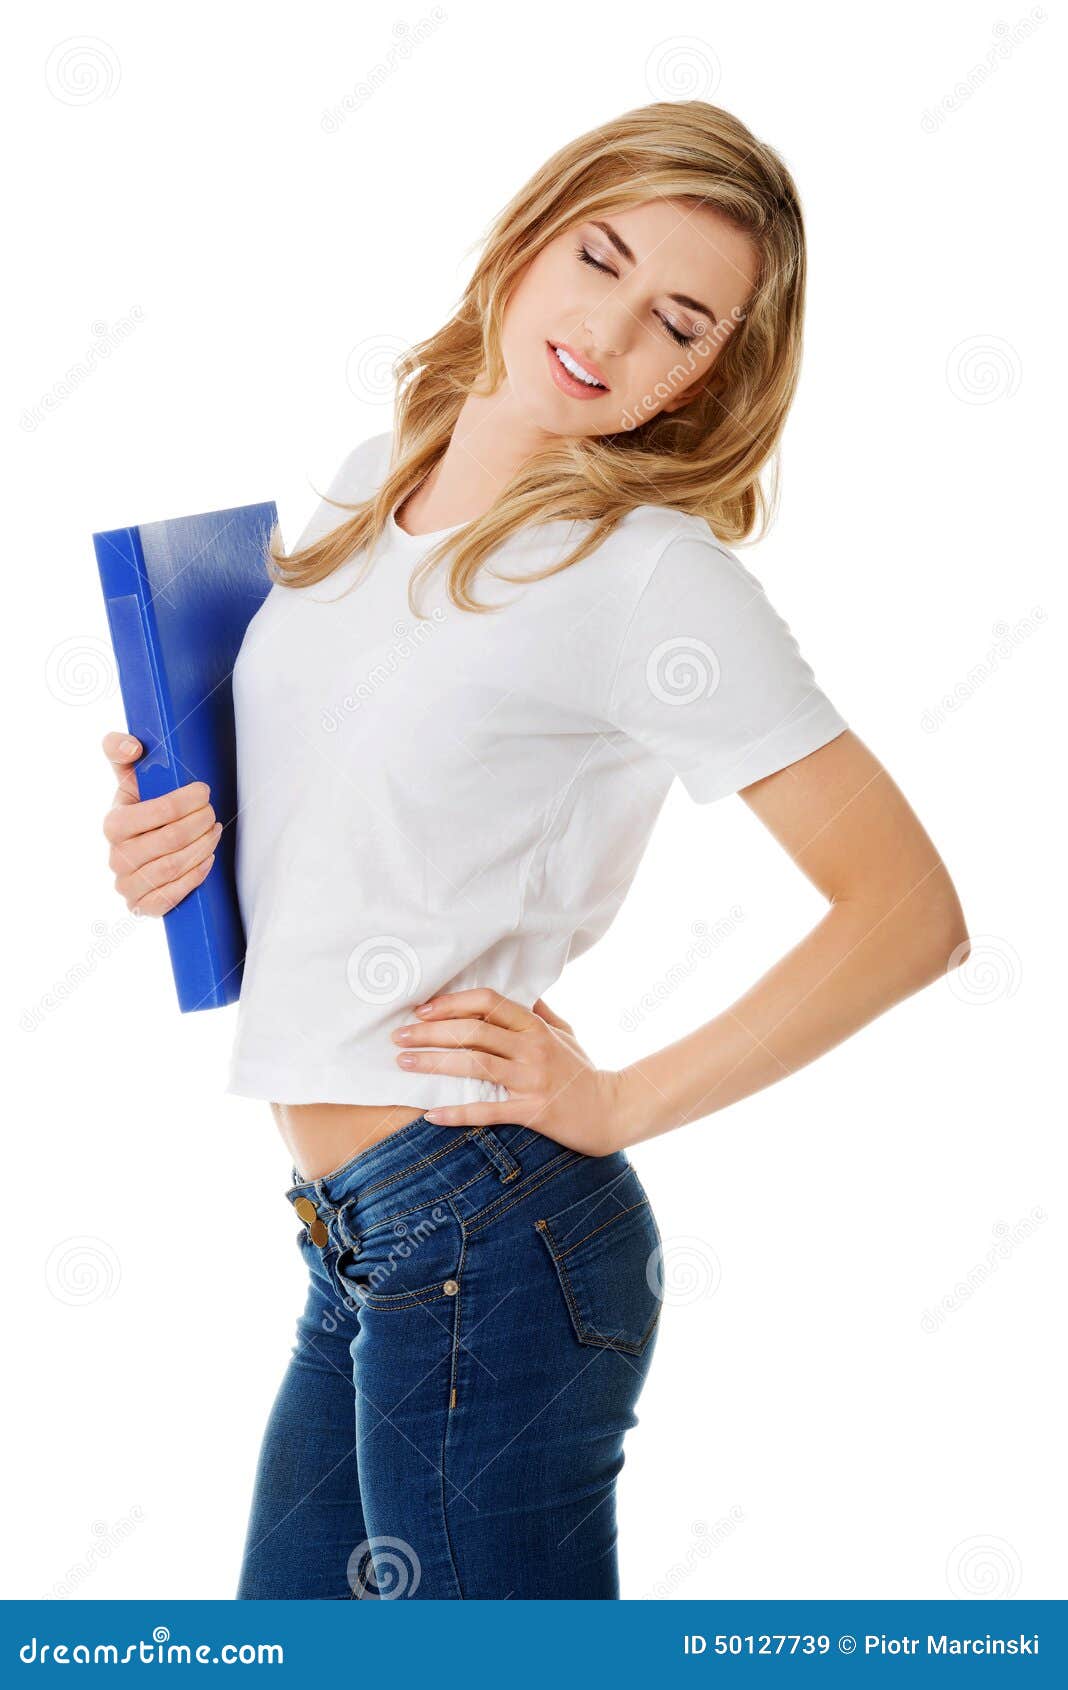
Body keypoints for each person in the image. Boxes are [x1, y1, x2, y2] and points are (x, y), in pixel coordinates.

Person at [99, 100, 969, 1600]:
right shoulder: (379, 474)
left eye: (677, 321)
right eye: (600, 258)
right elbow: (354, 815)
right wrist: (165, 838)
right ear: (526, 239)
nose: (610, 331)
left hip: (489, 1233)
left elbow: (909, 911)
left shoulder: (650, 580)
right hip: (356, 1243)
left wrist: (621, 1097)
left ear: (707, 376)